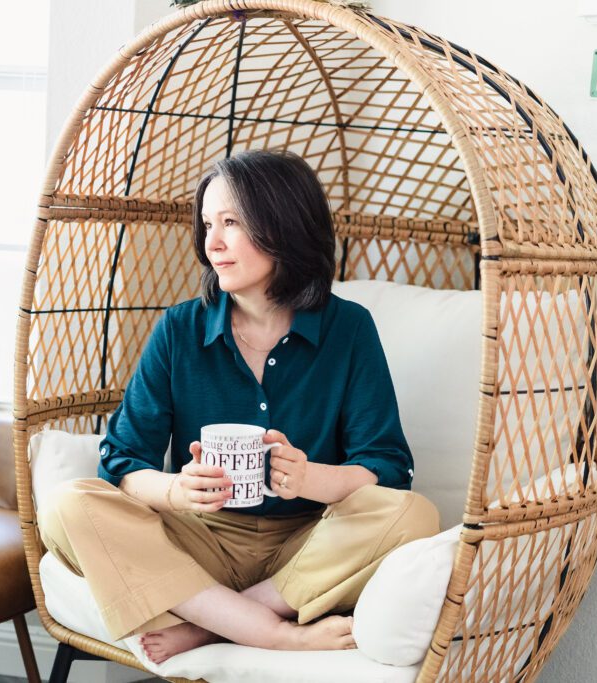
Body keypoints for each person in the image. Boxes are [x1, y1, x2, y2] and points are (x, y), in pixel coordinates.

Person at [39, 149, 440, 664]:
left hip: (308, 541)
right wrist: (176, 491)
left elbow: (388, 469)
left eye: (231, 222)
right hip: (199, 541)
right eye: (208, 224)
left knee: (415, 515)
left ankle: (216, 623)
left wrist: (311, 479)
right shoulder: (179, 329)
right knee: (67, 505)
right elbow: (120, 461)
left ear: (285, 226)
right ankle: (269, 629)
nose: (213, 243)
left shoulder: (350, 329)